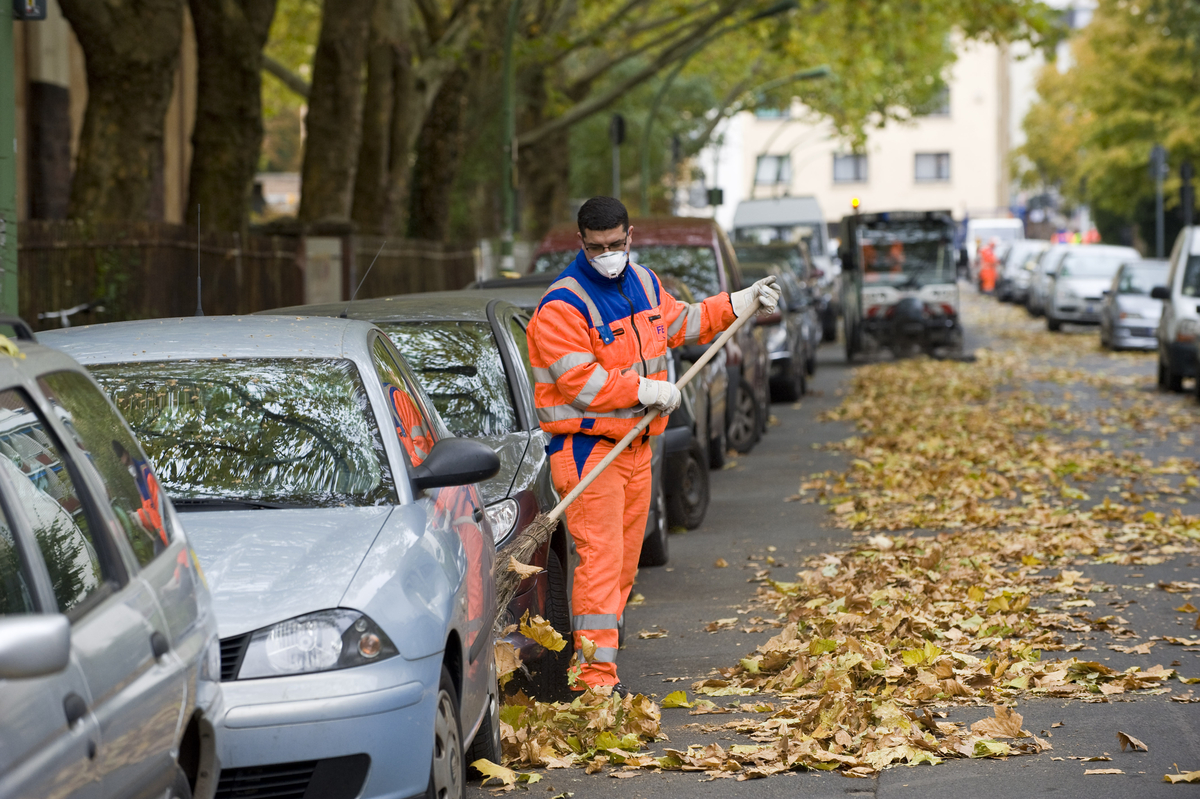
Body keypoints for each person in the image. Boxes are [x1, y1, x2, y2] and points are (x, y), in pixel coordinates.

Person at [526, 196, 779, 696]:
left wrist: (740, 302)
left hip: (636, 448)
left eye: (615, 244)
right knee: (600, 563)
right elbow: (580, 382)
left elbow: (680, 322)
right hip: (588, 452)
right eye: (597, 247)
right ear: (581, 243)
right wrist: (644, 390)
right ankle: (594, 682)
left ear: (629, 236)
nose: (608, 253)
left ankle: (599, 661)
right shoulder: (562, 305)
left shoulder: (643, 282)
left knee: (621, 566)